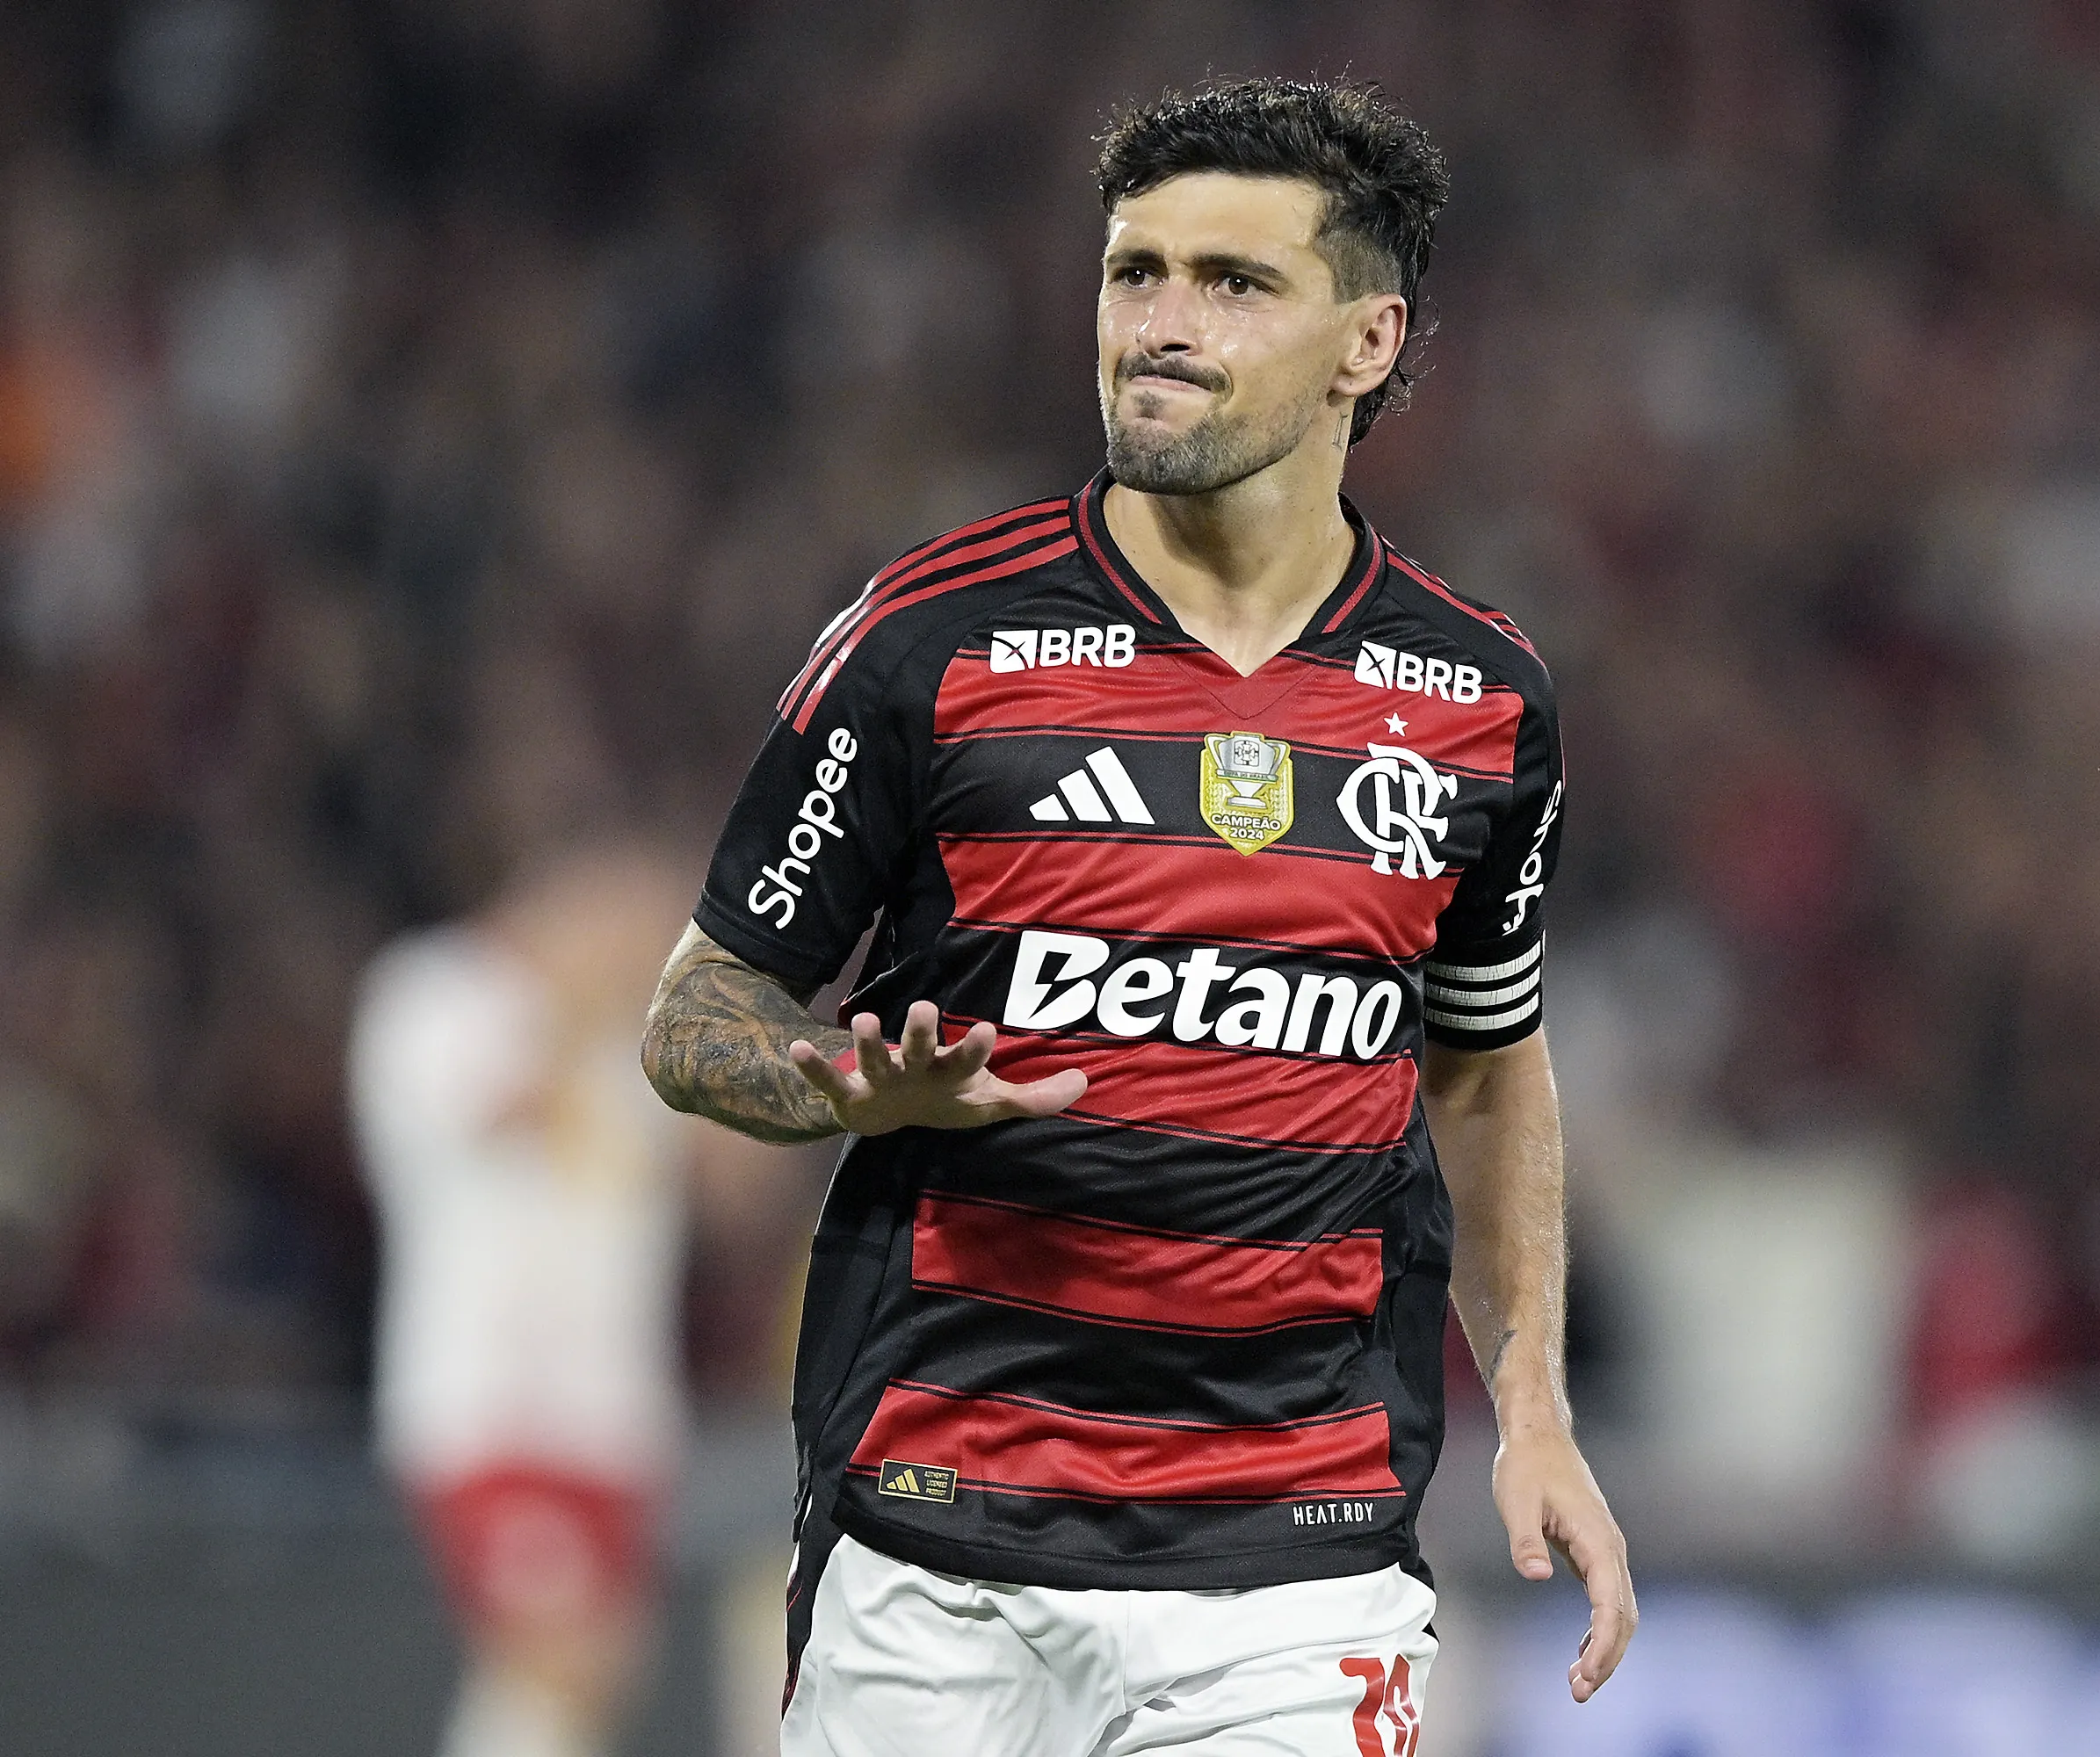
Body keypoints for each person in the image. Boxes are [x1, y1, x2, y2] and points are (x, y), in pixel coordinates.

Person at [641, 76, 1634, 1756]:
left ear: (1367, 344)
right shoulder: (933, 643)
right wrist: (838, 1087)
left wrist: (1530, 1401)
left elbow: (1482, 1064)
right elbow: (695, 1016)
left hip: (1297, 1562)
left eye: (1233, 284)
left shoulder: (1479, 697)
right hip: (936, 1535)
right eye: (1135, 273)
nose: (1160, 326)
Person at [352, 840, 698, 1757]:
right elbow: (493, 1112)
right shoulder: (436, 991)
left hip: (612, 1418)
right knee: (555, 1650)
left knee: (588, 1684)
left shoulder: (641, 1037)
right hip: (489, 1400)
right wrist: (578, 1011)